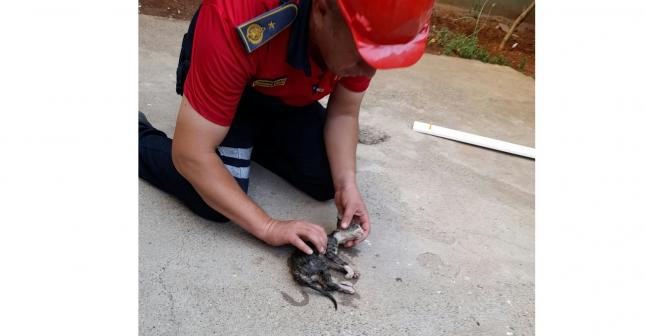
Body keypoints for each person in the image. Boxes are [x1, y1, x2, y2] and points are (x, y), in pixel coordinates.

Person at [139, 0, 434, 255]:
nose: (368, 71)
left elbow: (344, 113)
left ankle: (245, 141)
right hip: (235, 87)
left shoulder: (358, 28)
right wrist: (267, 227)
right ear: (321, 9)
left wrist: (347, 184)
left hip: (284, 92)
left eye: (378, 58)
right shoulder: (237, 15)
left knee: (327, 181)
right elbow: (190, 153)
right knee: (212, 201)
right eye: (362, 55)